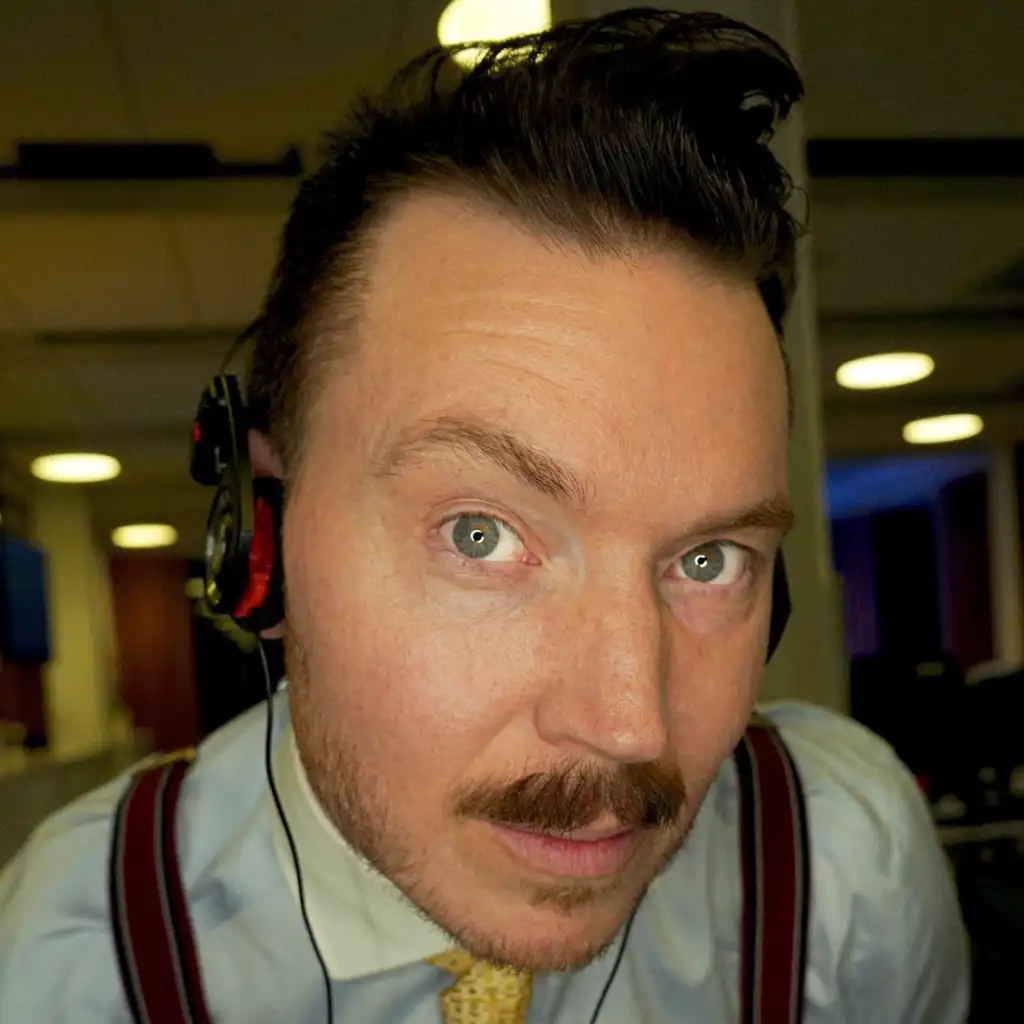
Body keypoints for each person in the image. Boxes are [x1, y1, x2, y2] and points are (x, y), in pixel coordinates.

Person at [0, 9, 969, 1023]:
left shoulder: (844, 868)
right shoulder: (75, 957)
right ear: (263, 545)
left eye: (710, 558)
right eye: (482, 535)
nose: (629, 725)